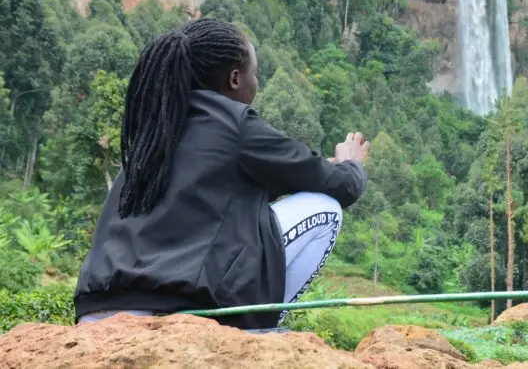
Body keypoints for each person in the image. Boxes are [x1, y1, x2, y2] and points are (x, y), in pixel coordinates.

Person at [74, 18, 370, 330]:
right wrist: (352, 164)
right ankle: (262, 330)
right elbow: (340, 185)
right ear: (234, 78)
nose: (256, 83)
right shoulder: (236, 125)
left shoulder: (151, 133)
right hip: (180, 310)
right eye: (254, 74)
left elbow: (218, 193)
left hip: (97, 308)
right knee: (324, 209)